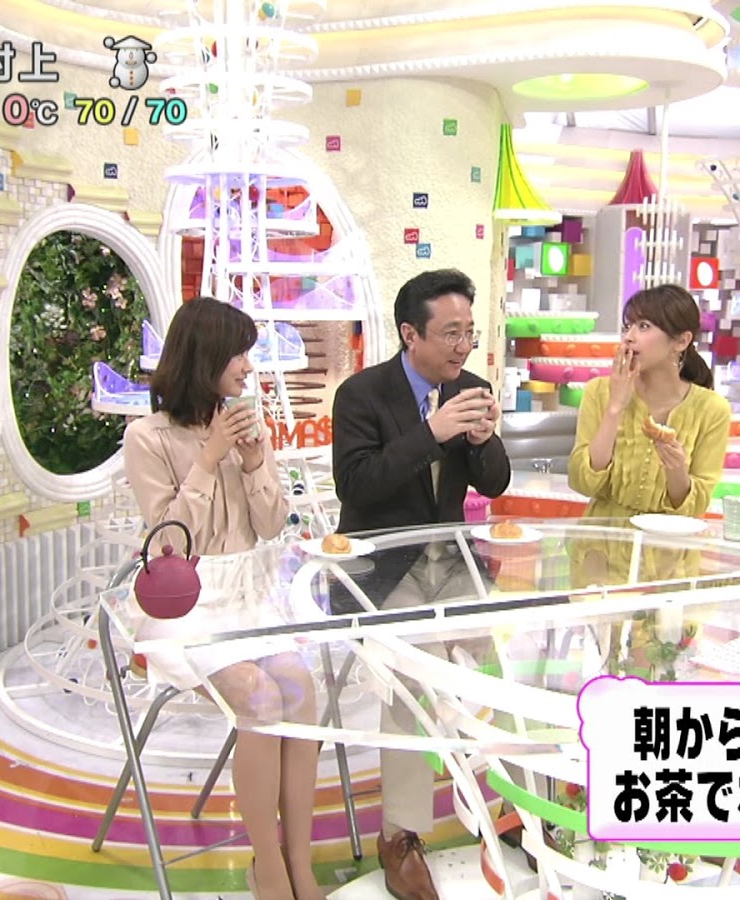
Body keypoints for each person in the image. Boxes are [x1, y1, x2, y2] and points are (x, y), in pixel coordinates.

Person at [122, 296, 324, 900]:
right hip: (184, 605)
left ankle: (300, 861)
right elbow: (169, 544)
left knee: (300, 690)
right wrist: (208, 460)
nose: (247, 366)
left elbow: (272, 525)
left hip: (250, 595)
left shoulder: (244, 424)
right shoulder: (147, 437)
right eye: (238, 354)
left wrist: (256, 462)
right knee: (261, 697)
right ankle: (268, 864)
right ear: (205, 356)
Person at [330, 268, 511, 900]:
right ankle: (401, 835)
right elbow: (358, 486)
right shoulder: (361, 395)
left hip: (453, 564)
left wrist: (483, 441)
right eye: (450, 333)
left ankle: (515, 803)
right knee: (413, 674)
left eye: (469, 332)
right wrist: (430, 435)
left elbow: (494, 482)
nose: (463, 346)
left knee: (508, 658)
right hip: (384, 574)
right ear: (411, 334)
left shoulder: (472, 388)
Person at [569, 283, 731, 519]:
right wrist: (615, 407)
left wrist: (676, 470)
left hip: (669, 540)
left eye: (643, 326)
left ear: (681, 341)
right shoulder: (598, 392)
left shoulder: (712, 409)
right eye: (627, 327)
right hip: (602, 536)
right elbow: (583, 483)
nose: (629, 337)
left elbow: (695, 509)